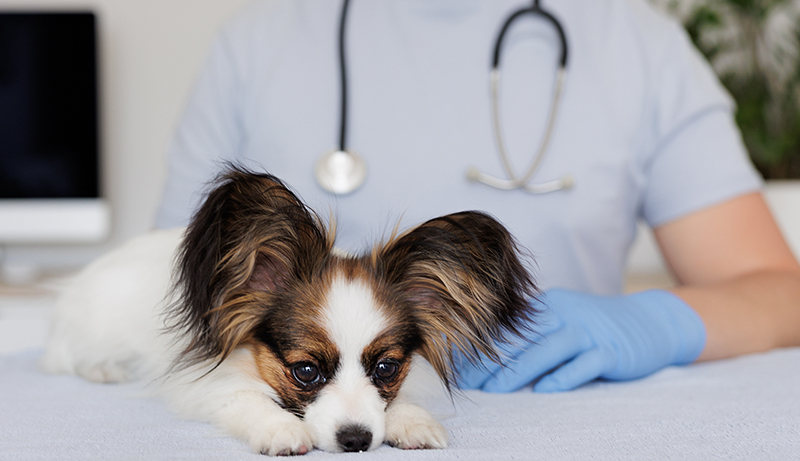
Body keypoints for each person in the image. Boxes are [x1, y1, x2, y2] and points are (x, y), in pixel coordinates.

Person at [155, 0, 800, 393]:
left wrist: (654, 325)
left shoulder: (639, 44)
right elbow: (172, 294)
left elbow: (780, 292)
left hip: (567, 435)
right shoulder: (256, 43)